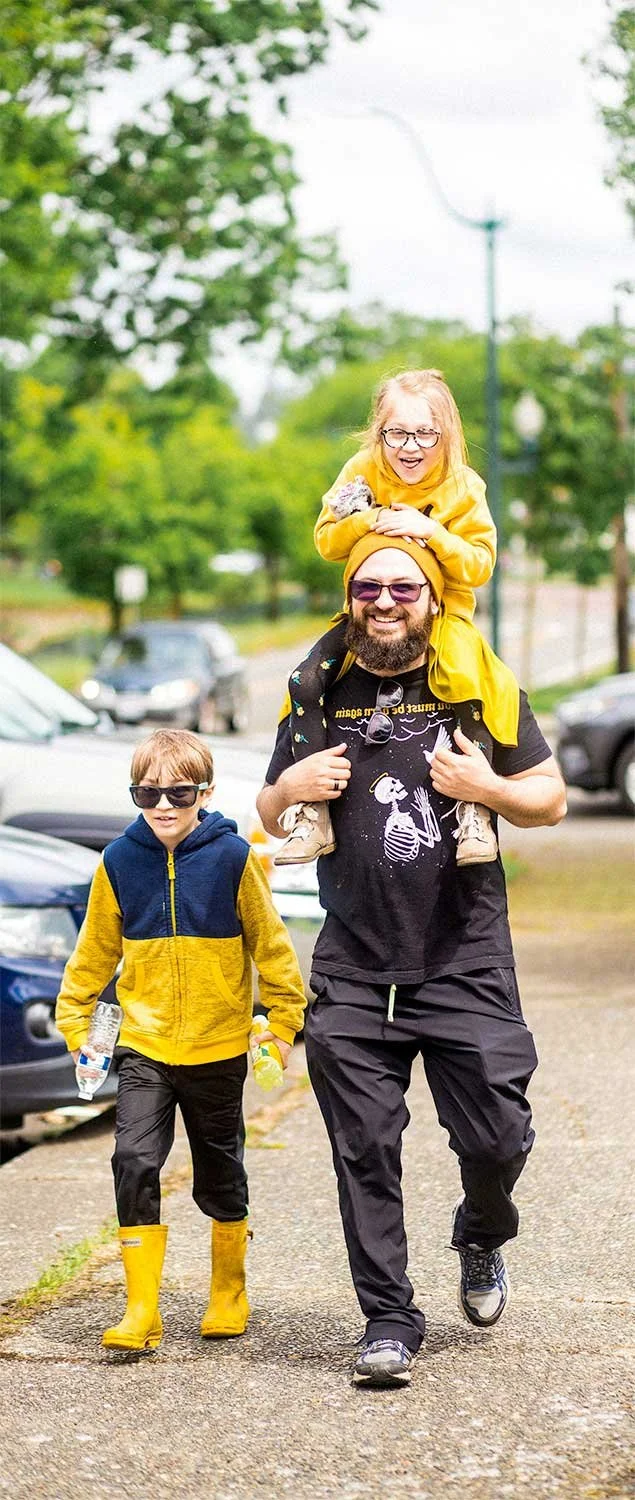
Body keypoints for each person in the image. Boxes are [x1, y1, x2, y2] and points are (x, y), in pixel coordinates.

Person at [257, 533, 566, 1388]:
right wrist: (291, 790)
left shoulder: (473, 686)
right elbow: (267, 799)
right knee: (363, 1150)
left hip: (462, 956)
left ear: (432, 598)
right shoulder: (317, 692)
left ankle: (480, 1230)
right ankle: (388, 1319)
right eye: (367, 587)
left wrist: (488, 792)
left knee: (498, 1136)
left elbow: (548, 797)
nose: (383, 601)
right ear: (348, 595)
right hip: (353, 966)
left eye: (402, 587)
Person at [56, 728, 306, 1352]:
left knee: (219, 1174)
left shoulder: (234, 861)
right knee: (134, 1161)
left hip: (218, 1047)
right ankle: (142, 1310)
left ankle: (228, 1290)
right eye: (147, 794)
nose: (163, 807)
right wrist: (77, 1023)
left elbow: (272, 949)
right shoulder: (117, 862)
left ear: (205, 792)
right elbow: (93, 953)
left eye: (178, 793)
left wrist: (280, 1024)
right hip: (143, 1046)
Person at [275, 367, 520, 870]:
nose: (410, 447)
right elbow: (326, 540)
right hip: (365, 614)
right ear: (378, 432)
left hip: (441, 617)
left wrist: (429, 530)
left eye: (425, 434)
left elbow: (480, 565)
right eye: (397, 434)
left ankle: (474, 811)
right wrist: (372, 517)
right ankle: (312, 812)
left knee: (469, 684)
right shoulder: (361, 470)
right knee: (304, 680)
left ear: (445, 434)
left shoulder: (463, 486)